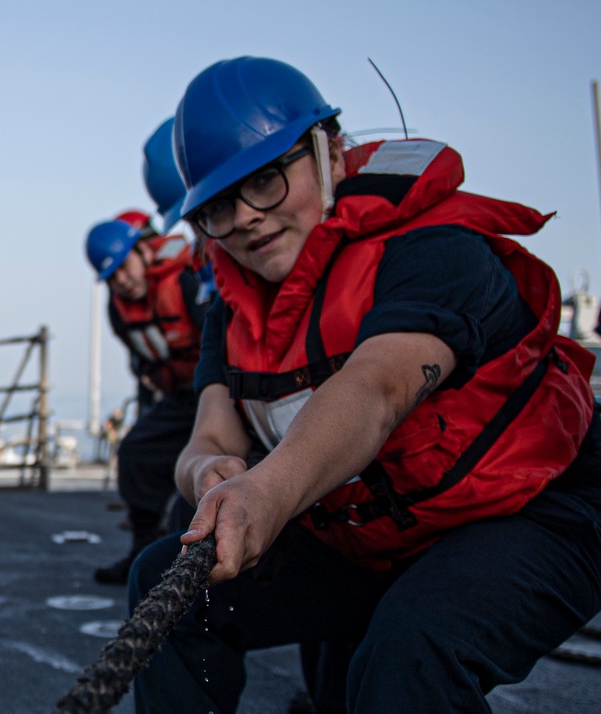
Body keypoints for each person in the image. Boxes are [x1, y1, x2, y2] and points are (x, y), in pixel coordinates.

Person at [129, 56, 601, 713]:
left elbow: (379, 387)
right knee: (167, 583)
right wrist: (209, 473)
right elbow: (208, 430)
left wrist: (264, 492)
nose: (244, 219)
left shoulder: (434, 251)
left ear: (331, 153)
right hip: (379, 534)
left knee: (414, 647)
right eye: (215, 206)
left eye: (265, 180)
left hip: (533, 509)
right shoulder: (234, 311)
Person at [84, 207, 210, 585]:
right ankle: (143, 553)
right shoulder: (118, 309)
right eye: (112, 276)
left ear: (143, 252)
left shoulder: (185, 282)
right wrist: (146, 416)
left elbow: (218, 342)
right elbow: (143, 366)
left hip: (220, 390)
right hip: (182, 397)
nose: (122, 280)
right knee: (137, 453)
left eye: (125, 267)